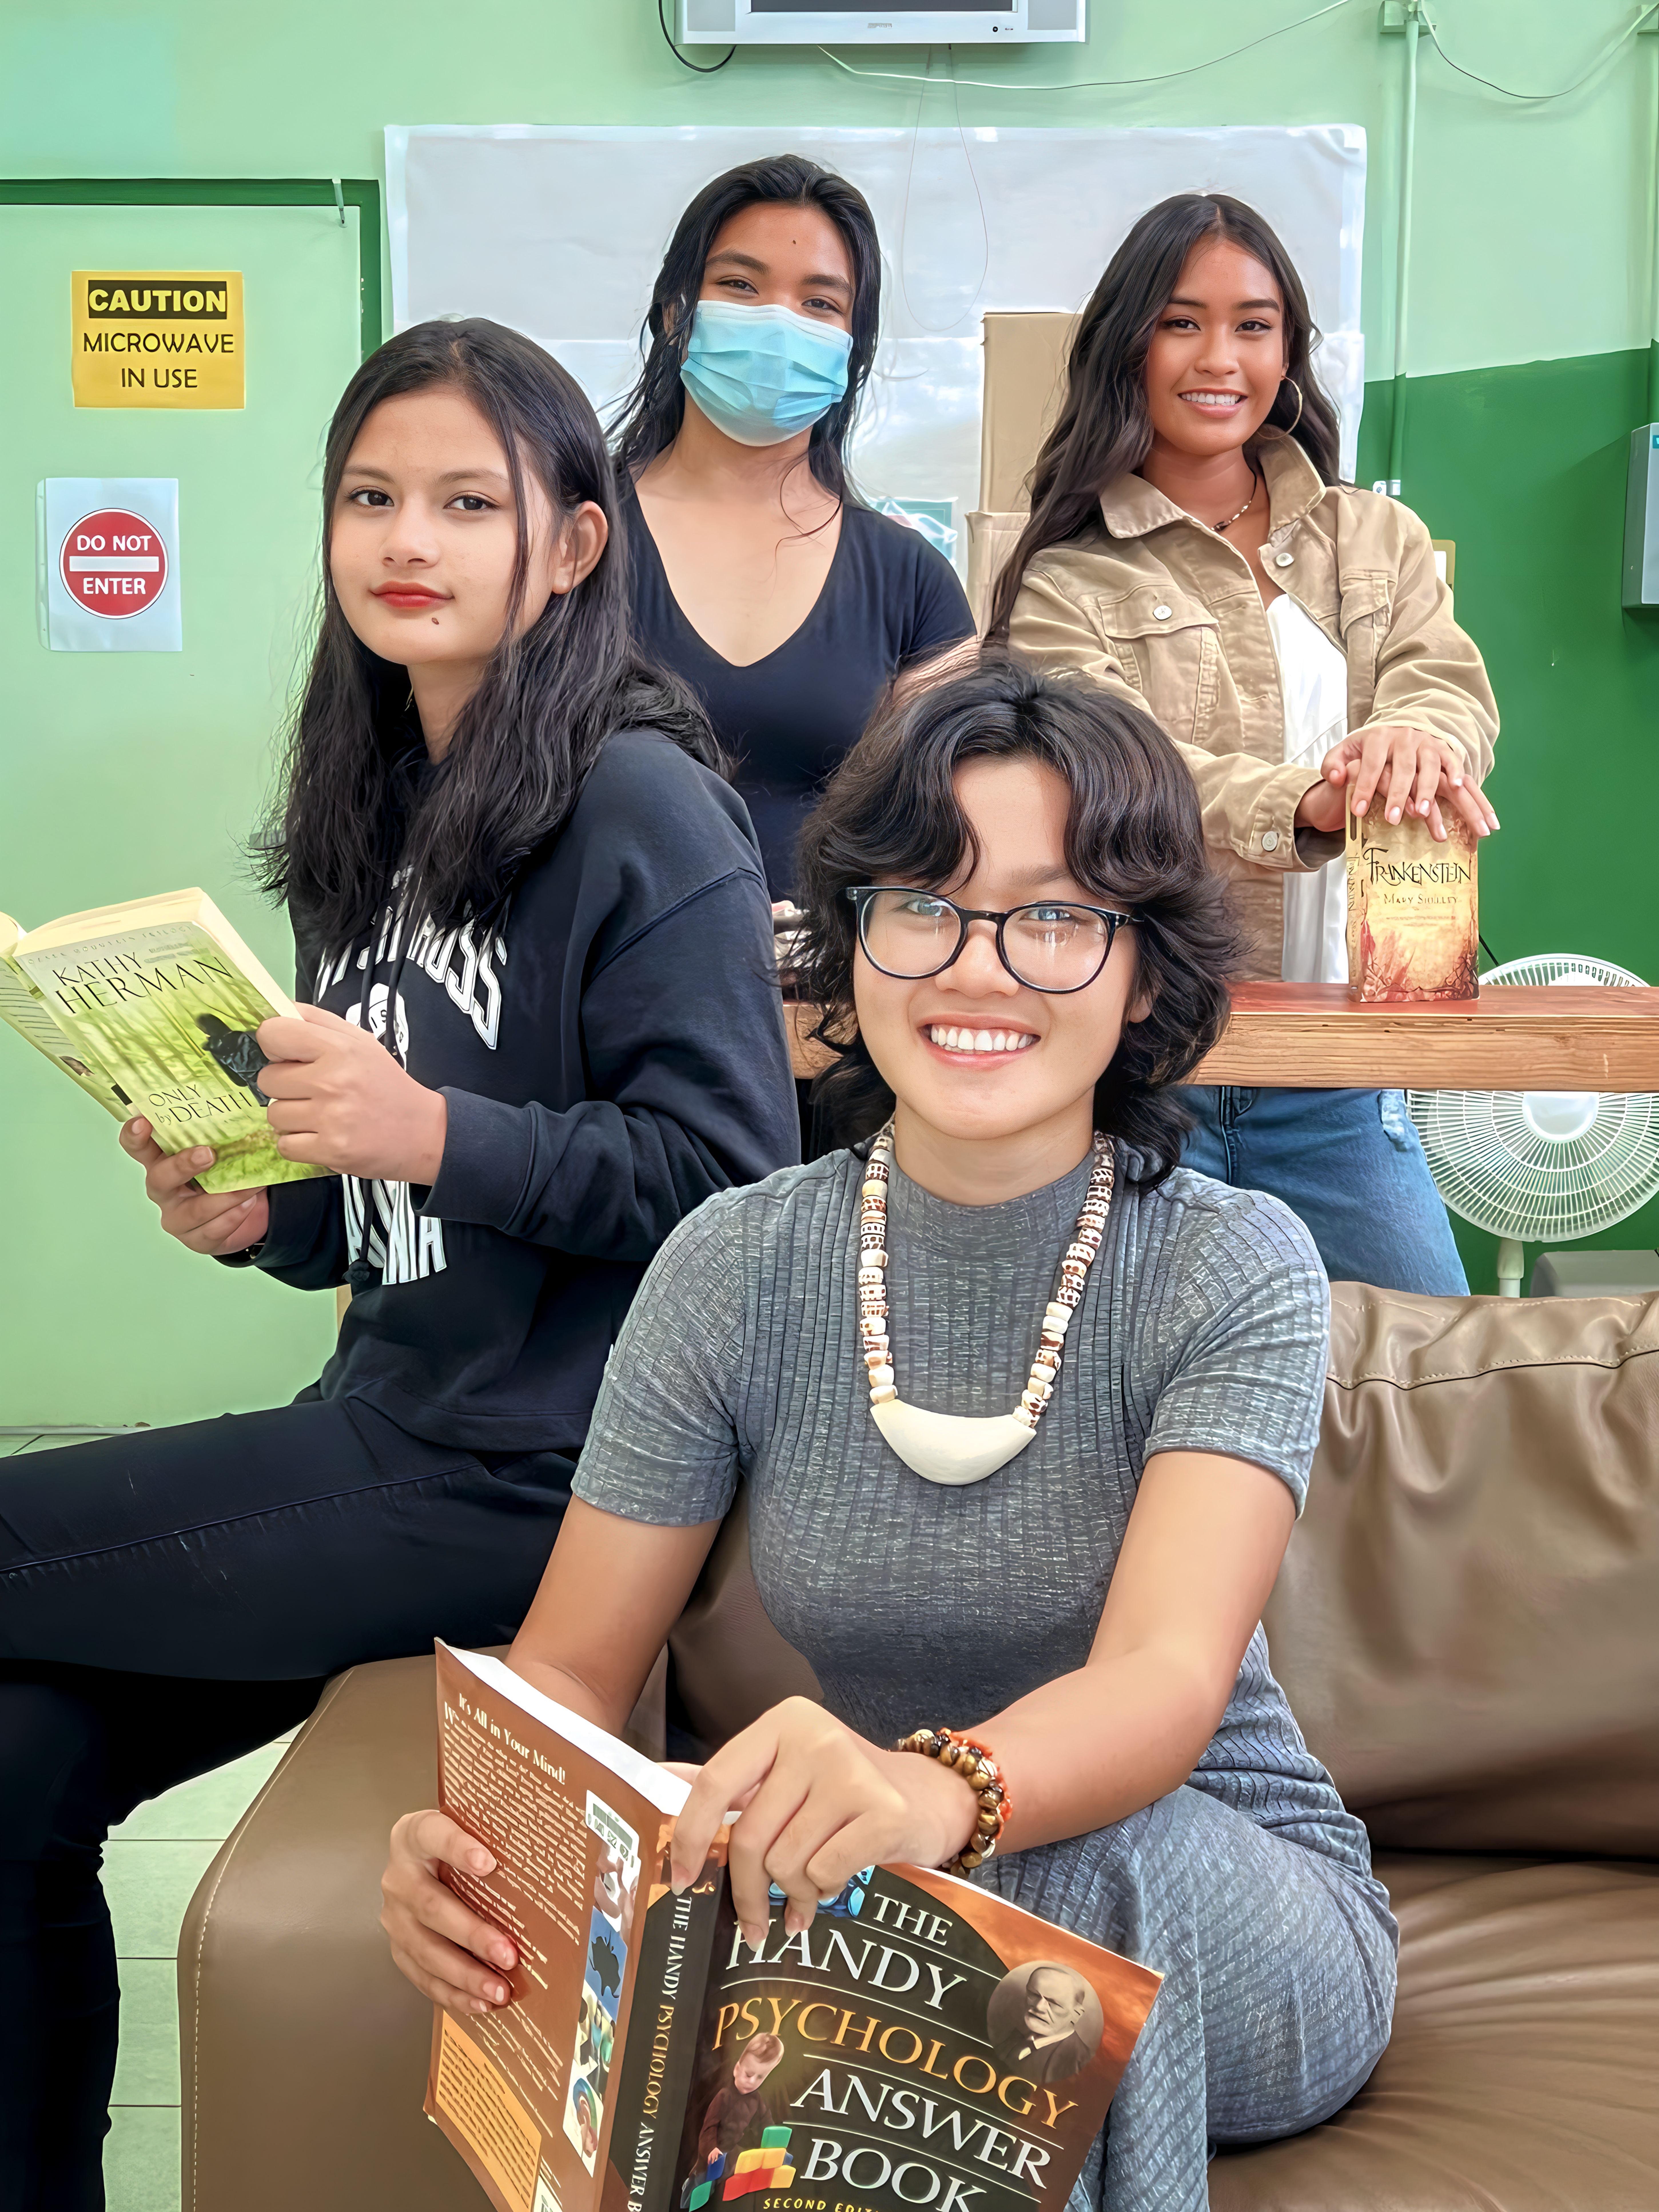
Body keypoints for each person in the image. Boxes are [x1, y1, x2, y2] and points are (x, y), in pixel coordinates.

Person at [381, 655, 1398, 2212]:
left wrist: (933, 1792)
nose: (977, 970)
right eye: (923, 905)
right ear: (851, 939)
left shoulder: (1229, 1259)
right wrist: (475, 1834)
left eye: (1054, 918)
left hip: (1226, 1902)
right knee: (788, 1915)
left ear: (1142, 971)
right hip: (882, 1913)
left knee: (1065, 1873)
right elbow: (572, 1672)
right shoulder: (734, 1262)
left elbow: (1162, 1678)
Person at [0, 317, 798, 2212]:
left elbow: (732, 1182)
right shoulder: (379, 816)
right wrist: (266, 1209)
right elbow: (393, 1208)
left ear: (574, 543)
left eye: (463, 500)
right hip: (391, 1421)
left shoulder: (640, 801)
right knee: (17, 1762)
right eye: (369, 497)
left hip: (549, 1476)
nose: (405, 539)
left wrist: (427, 1128)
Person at [990, 193, 1501, 1293]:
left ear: (1288, 351)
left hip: (1340, 1073)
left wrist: (1414, 732)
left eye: (1253, 326)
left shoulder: (1377, 537)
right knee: (1111, 1380)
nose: (1219, 357)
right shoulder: (1065, 578)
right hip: (1140, 1070)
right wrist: (1305, 802)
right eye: (1181, 322)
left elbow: (1447, 684)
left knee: (1427, 1369)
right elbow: (1114, 777)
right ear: (1127, 344)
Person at [612, 154, 976, 906]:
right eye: (740, 286)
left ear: (852, 347)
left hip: (826, 970)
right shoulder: (571, 540)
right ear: (676, 312)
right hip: (597, 968)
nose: (780, 323)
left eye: (819, 303)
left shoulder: (913, 582)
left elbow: (949, 825)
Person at [989, 1964, 1100, 2085]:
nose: (1039, 2007)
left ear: (1077, 2014)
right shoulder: (1011, 2039)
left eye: (1055, 2003)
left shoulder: (1082, 2064)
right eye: (1034, 1995)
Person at [693, 2032, 786, 2175]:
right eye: (749, 2075)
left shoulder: (757, 2099)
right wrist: (712, 2149)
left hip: (733, 2155)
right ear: (737, 2069)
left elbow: (767, 2124)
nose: (752, 2082)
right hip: (713, 2155)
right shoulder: (725, 2096)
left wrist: (775, 2146)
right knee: (705, 2180)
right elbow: (709, 2128)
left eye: (760, 2077)